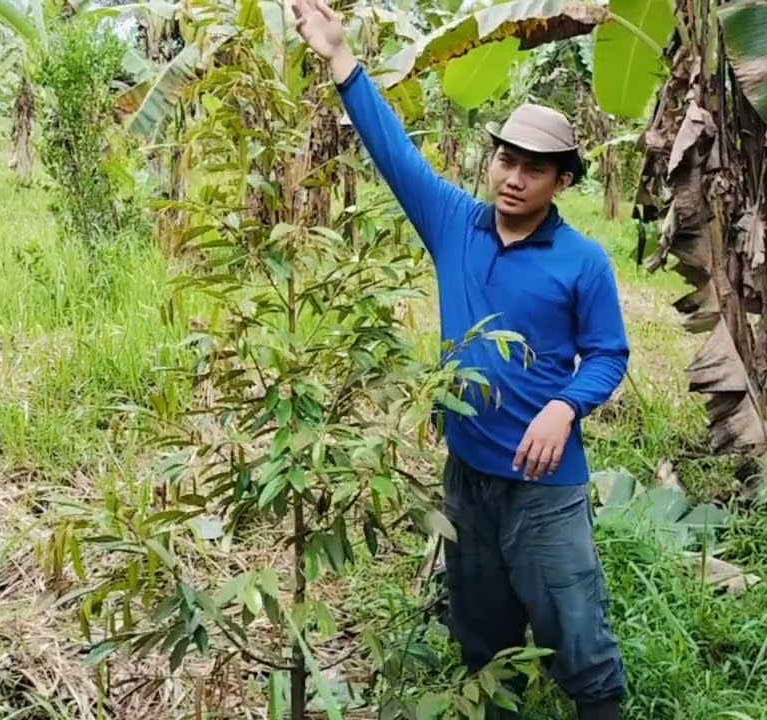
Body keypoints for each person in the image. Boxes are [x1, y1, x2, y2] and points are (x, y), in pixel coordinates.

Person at [291, 0, 631, 717]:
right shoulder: (455, 225)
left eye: (534, 169)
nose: (513, 177)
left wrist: (565, 407)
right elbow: (394, 152)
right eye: (506, 159)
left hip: (544, 488)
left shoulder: (583, 262)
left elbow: (608, 354)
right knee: (481, 638)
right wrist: (340, 56)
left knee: (577, 636)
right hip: (467, 479)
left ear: (560, 182)